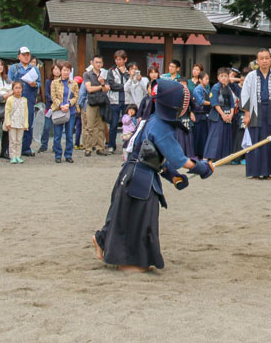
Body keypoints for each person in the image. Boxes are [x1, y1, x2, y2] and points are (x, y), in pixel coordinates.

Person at [92, 79, 214, 272]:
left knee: (124, 215)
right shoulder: (161, 126)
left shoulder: (153, 119)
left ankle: (103, 240)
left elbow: (154, 157)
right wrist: (201, 168)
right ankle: (129, 261)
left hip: (133, 173)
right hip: (139, 179)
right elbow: (178, 159)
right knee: (137, 219)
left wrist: (172, 177)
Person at [240, 48, 271, 179]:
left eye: (267, 58)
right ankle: (255, 172)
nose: (264, 61)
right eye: (261, 58)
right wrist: (246, 114)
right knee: (255, 140)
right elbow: (245, 95)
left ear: (270, 60)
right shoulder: (250, 76)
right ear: (257, 61)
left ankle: (268, 172)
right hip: (255, 111)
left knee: (270, 140)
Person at [7, 46, 39, 157]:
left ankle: (26, 147)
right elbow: (8, 82)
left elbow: (39, 83)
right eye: (24, 54)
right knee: (13, 122)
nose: (26, 57)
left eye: (27, 55)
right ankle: (11, 149)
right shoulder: (14, 68)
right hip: (15, 99)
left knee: (28, 122)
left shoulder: (34, 69)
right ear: (19, 56)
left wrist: (35, 84)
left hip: (29, 98)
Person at [203, 68, 237, 161]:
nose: (224, 78)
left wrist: (231, 114)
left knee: (226, 135)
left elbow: (232, 103)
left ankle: (222, 157)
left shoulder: (228, 88)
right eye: (221, 76)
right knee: (215, 136)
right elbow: (215, 103)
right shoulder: (215, 87)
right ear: (218, 78)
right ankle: (207, 157)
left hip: (227, 114)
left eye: (225, 76)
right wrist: (222, 114)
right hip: (217, 114)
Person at [50, 61, 78, 163]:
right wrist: (61, 105)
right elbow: (53, 96)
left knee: (69, 134)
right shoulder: (54, 83)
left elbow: (76, 96)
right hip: (58, 110)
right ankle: (58, 154)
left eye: (68, 70)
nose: (66, 72)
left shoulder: (73, 83)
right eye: (64, 70)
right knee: (57, 135)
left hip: (71, 111)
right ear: (60, 71)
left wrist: (69, 104)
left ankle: (68, 154)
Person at [82, 55, 108, 157]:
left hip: (102, 102)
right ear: (92, 63)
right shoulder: (87, 74)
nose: (98, 64)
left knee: (101, 127)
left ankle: (100, 147)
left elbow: (107, 89)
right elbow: (89, 89)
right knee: (90, 126)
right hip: (91, 102)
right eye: (96, 62)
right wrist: (101, 85)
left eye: (100, 62)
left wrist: (103, 86)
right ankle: (88, 148)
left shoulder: (104, 74)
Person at [106, 50, 130, 154]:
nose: (118, 61)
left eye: (120, 59)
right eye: (116, 59)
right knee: (114, 124)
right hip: (114, 100)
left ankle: (127, 145)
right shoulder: (111, 70)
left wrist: (125, 74)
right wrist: (124, 87)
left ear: (125, 59)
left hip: (127, 100)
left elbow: (131, 83)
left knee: (128, 124)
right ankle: (111, 145)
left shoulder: (129, 71)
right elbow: (112, 85)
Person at [38, 63, 62, 153]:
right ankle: (43, 145)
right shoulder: (49, 81)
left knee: (57, 127)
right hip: (50, 106)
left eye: (58, 69)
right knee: (46, 127)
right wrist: (54, 101)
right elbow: (47, 94)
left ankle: (56, 146)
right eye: (54, 69)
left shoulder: (62, 81)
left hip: (59, 107)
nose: (56, 71)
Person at [4, 81, 29, 164]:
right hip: (12, 123)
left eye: (20, 88)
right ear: (13, 89)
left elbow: (26, 112)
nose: (18, 90)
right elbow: (7, 112)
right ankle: (12, 156)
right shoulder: (10, 100)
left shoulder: (24, 100)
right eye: (16, 88)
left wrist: (26, 123)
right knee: (12, 140)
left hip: (21, 123)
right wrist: (7, 122)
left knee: (19, 140)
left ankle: (18, 155)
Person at [191, 72, 211, 159]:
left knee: (204, 136)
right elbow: (201, 101)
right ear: (200, 80)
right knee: (198, 136)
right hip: (198, 115)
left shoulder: (206, 89)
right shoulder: (197, 89)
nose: (207, 80)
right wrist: (213, 103)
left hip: (205, 115)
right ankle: (197, 154)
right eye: (206, 79)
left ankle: (203, 154)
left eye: (208, 79)